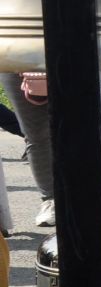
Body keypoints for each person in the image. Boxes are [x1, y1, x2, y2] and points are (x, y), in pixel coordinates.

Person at [0, 70, 53, 227]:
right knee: (36, 134)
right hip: (15, 58)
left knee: (79, 126)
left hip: (72, 56)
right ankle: (50, 199)